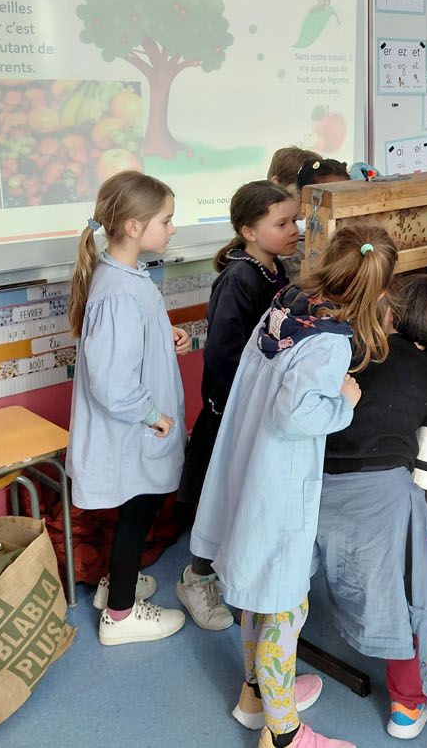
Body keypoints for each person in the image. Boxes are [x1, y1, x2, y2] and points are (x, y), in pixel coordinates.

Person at [191, 225, 397, 748]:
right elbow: (297, 415)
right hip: (279, 484)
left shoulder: (289, 299)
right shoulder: (330, 340)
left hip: (250, 466)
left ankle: (255, 695)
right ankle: (284, 734)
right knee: (284, 603)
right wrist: (345, 401)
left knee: (258, 592)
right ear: (375, 290)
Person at [319, 273, 427, 740]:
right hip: (383, 495)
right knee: (410, 585)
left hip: (321, 493)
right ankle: (409, 702)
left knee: (402, 582)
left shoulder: (356, 350)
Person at [67, 170, 190, 646]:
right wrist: (151, 415)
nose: (173, 229)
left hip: (137, 427)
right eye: (167, 220)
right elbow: (113, 381)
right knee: (139, 509)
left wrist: (166, 338)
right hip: (134, 428)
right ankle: (119, 615)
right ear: (135, 228)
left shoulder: (125, 277)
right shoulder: (118, 291)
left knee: (137, 508)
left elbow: (128, 348)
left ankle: (116, 584)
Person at [176, 180, 300, 631]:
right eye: (281, 223)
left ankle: (231, 571)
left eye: (293, 221)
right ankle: (197, 577)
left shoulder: (273, 269)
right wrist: (236, 408)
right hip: (230, 411)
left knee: (241, 497)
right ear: (249, 230)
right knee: (218, 497)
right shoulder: (239, 278)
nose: (293, 230)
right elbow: (223, 354)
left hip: (256, 407)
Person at [285, 158, 351, 281]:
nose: (336, 203)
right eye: (327, 198)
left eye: (344, 195)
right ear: (304, 200)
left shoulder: (362, 241)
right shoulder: (297, 254)